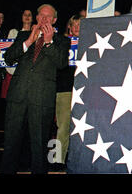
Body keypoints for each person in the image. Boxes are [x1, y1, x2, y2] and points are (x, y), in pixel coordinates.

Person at [0, 4, 70, 174]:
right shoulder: (23, 36)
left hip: (41, 99)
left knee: (39, 146)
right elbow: (8, 58)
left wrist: (48, 42)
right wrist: (29, 41)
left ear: (54, 20)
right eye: (41, 16)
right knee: (10, 144)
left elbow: (61, 63)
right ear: (37, 17)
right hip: (17, 96)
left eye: (48, 17)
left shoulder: (62, 40)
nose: (44, 19)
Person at [54, 14, 83, 168]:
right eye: (74, 25)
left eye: (80, 24)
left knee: (82, 126)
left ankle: (78, 159)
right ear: (69, 27)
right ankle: (58, 159)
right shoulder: (62, 43)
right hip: (65, 90)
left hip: (84, 90)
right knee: (64, 126)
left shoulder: (92, 42)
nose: (77, 27)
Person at [1, 9, 33, 100]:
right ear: (21, 17)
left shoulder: (37, 33)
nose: (27, 17)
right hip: (13, 73)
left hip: (29, 76)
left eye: (29, 15)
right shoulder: (13, 32)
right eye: (25, 14)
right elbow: (8, 52)